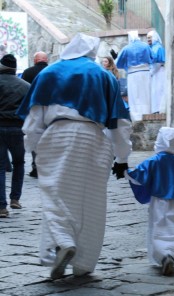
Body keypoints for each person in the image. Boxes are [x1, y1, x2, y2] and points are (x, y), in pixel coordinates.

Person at [17, 33, 132, 280]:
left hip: (56, 135)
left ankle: (63, 241)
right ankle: (83, 264)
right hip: (94, 139)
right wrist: (122, 158)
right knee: (91, 202)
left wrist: (33, 148)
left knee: (55, 195)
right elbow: (120, 123)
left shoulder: (48, 74)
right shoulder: (104, 77)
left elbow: (34, 120)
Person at [125, 127, 174, 276]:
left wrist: (124, 170)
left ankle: (163, 255)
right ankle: (171, 253)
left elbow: (136, 177)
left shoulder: (152, 162)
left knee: (159, 226)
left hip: (158, 202)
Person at [0, 54, 30, 218]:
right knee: (19, 163)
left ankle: (1, 207)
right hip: (18, 129)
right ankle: (15, 198)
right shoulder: (25, 85)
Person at [116, 30, 153, 122]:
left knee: (134, 94)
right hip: (145, 72)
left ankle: (135, 116)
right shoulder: (145, 46)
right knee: (145, 93)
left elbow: (118, 63)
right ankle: (147, 113)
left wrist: (126, 67)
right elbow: (153, 57)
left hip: (132, 73)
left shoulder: (126, 48)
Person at [22, 51, 48, 178]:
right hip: (51, 110)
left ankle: (35, 166)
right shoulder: (52, 71)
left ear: (35, 60)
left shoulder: (28, 72)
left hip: (33, 109)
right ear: (46, 59)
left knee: (34, 135)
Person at [147, 30, 166, 114]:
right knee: (154, 91)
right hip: (153, 72)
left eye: (150, 38)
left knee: (159, 90)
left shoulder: (158, 47)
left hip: (158, 72)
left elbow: (159, 62)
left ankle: (159, 109)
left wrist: (152, 72)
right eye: (147, 38)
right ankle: (155, 109)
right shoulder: (150, 47)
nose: (148, 40)